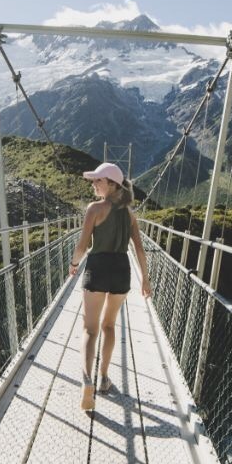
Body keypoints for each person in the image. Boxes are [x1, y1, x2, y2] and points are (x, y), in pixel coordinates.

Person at [69, 161, 151, 412]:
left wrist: (74, 264)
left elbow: (83, 244)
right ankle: (103, 377)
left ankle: (87, 380)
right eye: (93, 180)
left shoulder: (94, 209)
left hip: (98, 267)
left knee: (90, 329)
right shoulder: (130, 213)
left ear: (113, 184)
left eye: (98, 181)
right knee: (109, 326)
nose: (94, 185)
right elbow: (138, 248)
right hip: (121, 271)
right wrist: (145, 279)